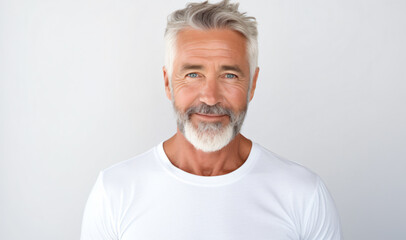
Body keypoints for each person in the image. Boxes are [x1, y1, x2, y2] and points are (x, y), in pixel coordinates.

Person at [80, 0, 343, 239]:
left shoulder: (303, 194)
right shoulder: (114, 191)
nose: (210, 97)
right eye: (193, 74)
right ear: (168, 83)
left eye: (229, 75)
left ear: (252, 85)